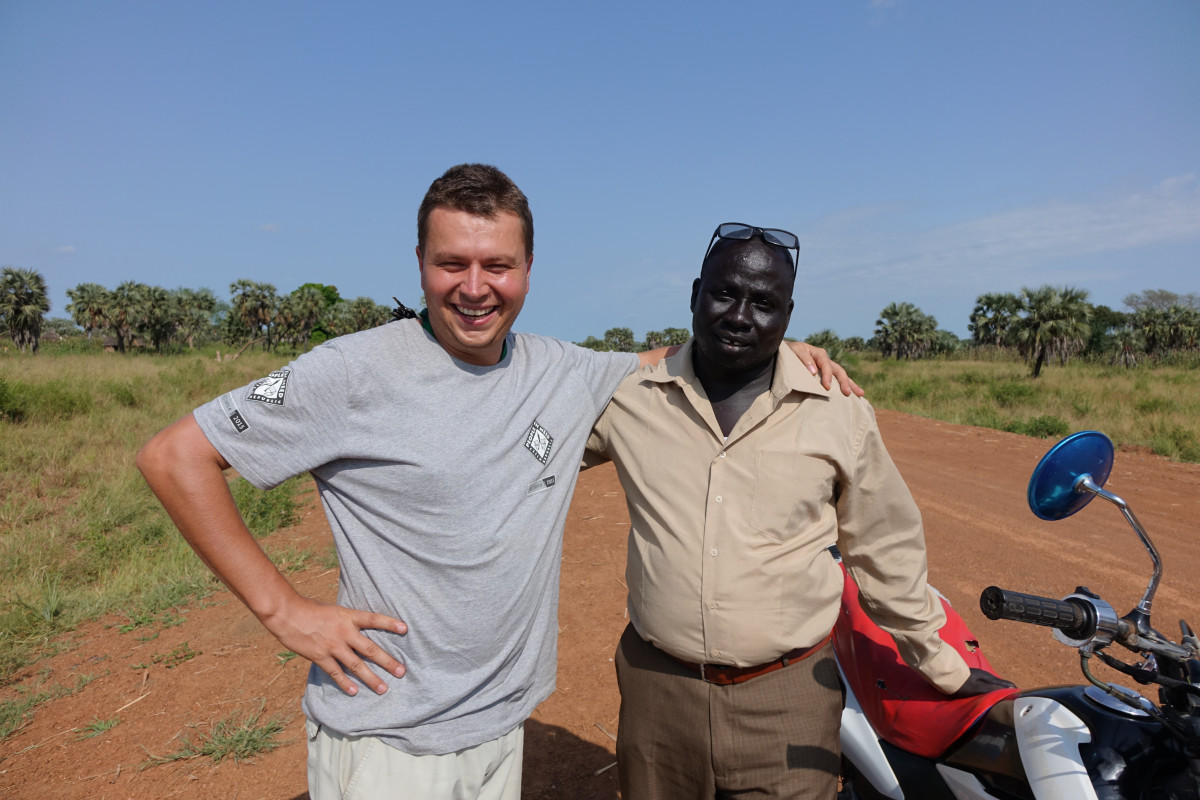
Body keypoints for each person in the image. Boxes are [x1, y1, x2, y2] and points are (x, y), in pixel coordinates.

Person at [137, 167, 855, 800]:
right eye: (452, 263)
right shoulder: (351, 371)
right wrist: (284, 611)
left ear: (529, 269)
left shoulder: (559, 369)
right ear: (420, 262)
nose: (475, 288)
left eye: (498, 265)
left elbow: (674, 357)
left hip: (499, 727)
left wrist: (774, 346)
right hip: (391, 738)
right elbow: (175, 457)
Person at [584, 223, 1013, 800]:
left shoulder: (838, 411)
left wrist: (943, 666)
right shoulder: (630, 398)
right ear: (694, 295)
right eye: (724, 293)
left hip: (788, 698)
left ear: (787, 316)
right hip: (657, 691)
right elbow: (527, 443)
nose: (740, 316)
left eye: (764, 303)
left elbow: (884, 550)